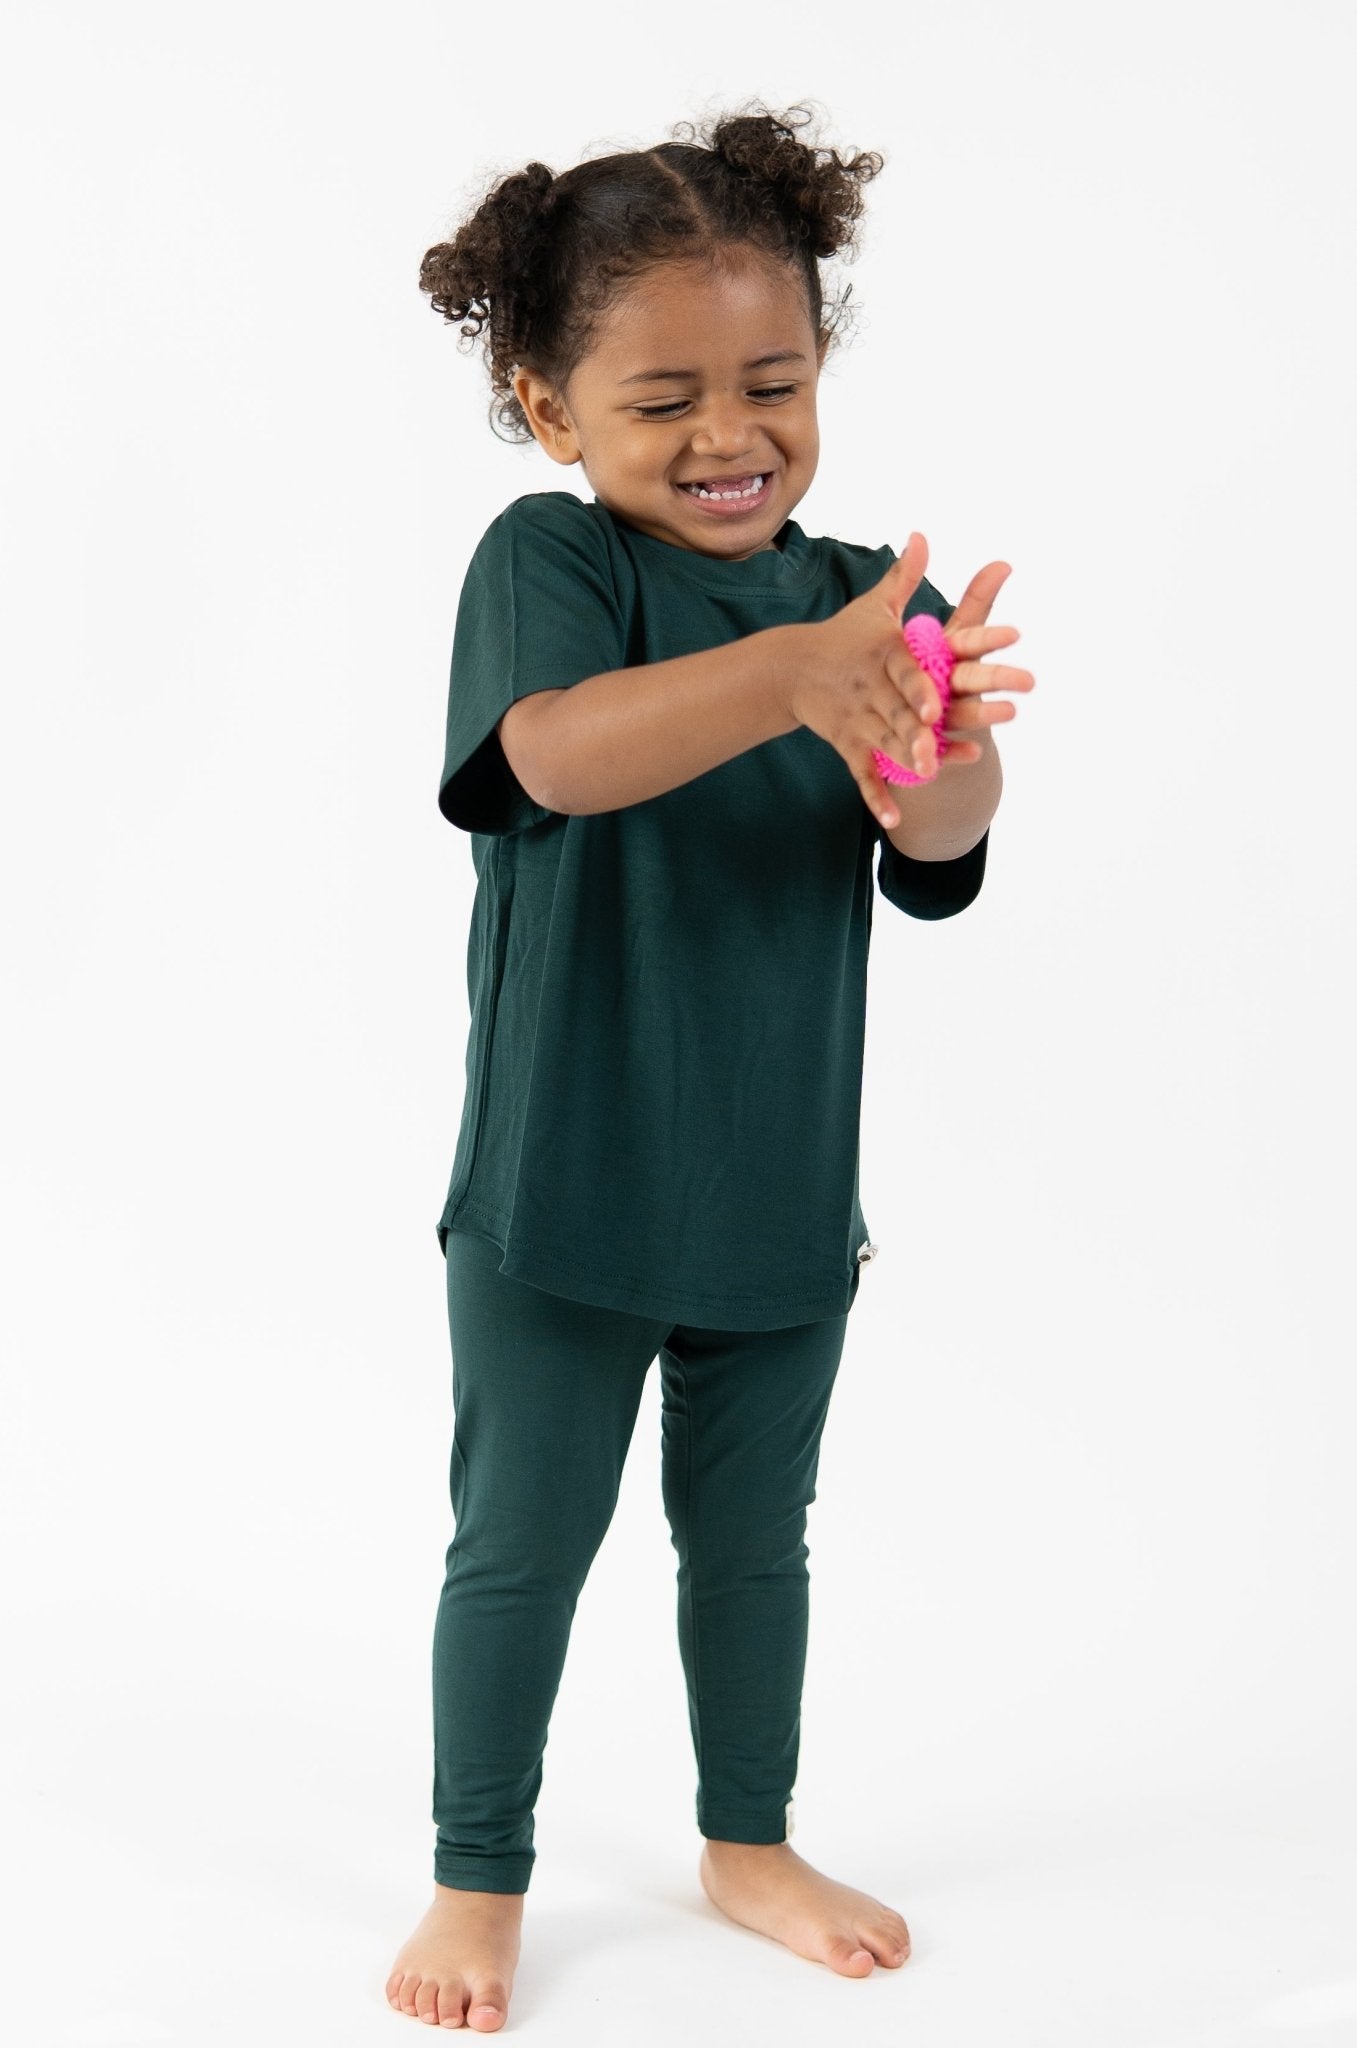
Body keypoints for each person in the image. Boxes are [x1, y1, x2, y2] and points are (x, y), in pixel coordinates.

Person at [387, 100, 1035, 2032]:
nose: (726, 434)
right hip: (559, 1190)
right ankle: (477, 1875)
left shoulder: (870, 604)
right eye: (662, 398)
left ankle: (747, 1841)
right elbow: (550, 758)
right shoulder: (553, 561)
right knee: (521, 1551)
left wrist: (937, 752)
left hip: (773, 1185)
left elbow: (940, 854)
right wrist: (786, 675)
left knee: (752, 1551)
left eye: (772, 384)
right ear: (547, 407)